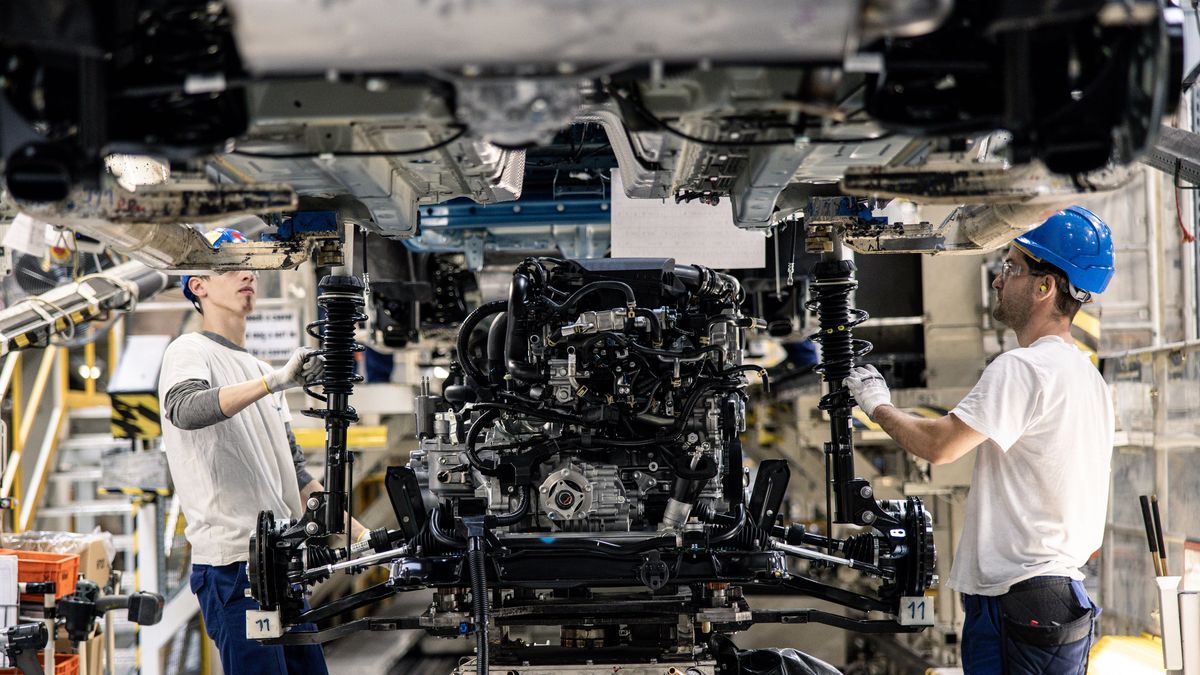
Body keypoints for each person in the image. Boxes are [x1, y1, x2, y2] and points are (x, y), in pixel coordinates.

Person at [844, 206, 1116, 674]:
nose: (996, 279)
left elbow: (940, 445)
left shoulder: (1025, 367)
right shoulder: (1086, 378)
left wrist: (876, 404)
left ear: (1044, 287)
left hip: (1023, 598)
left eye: (1009, 267)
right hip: (1049, 596)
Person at [158, 228, 365, 674]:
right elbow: (185, 408)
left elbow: (297, 475)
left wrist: (364, 538)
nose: (247, 274)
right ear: (199, 286)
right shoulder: (188, 350)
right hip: (233, 566)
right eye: (231, 266)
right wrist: (274, 382)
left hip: (280, 563)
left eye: (249, 265)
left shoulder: (259, 370)